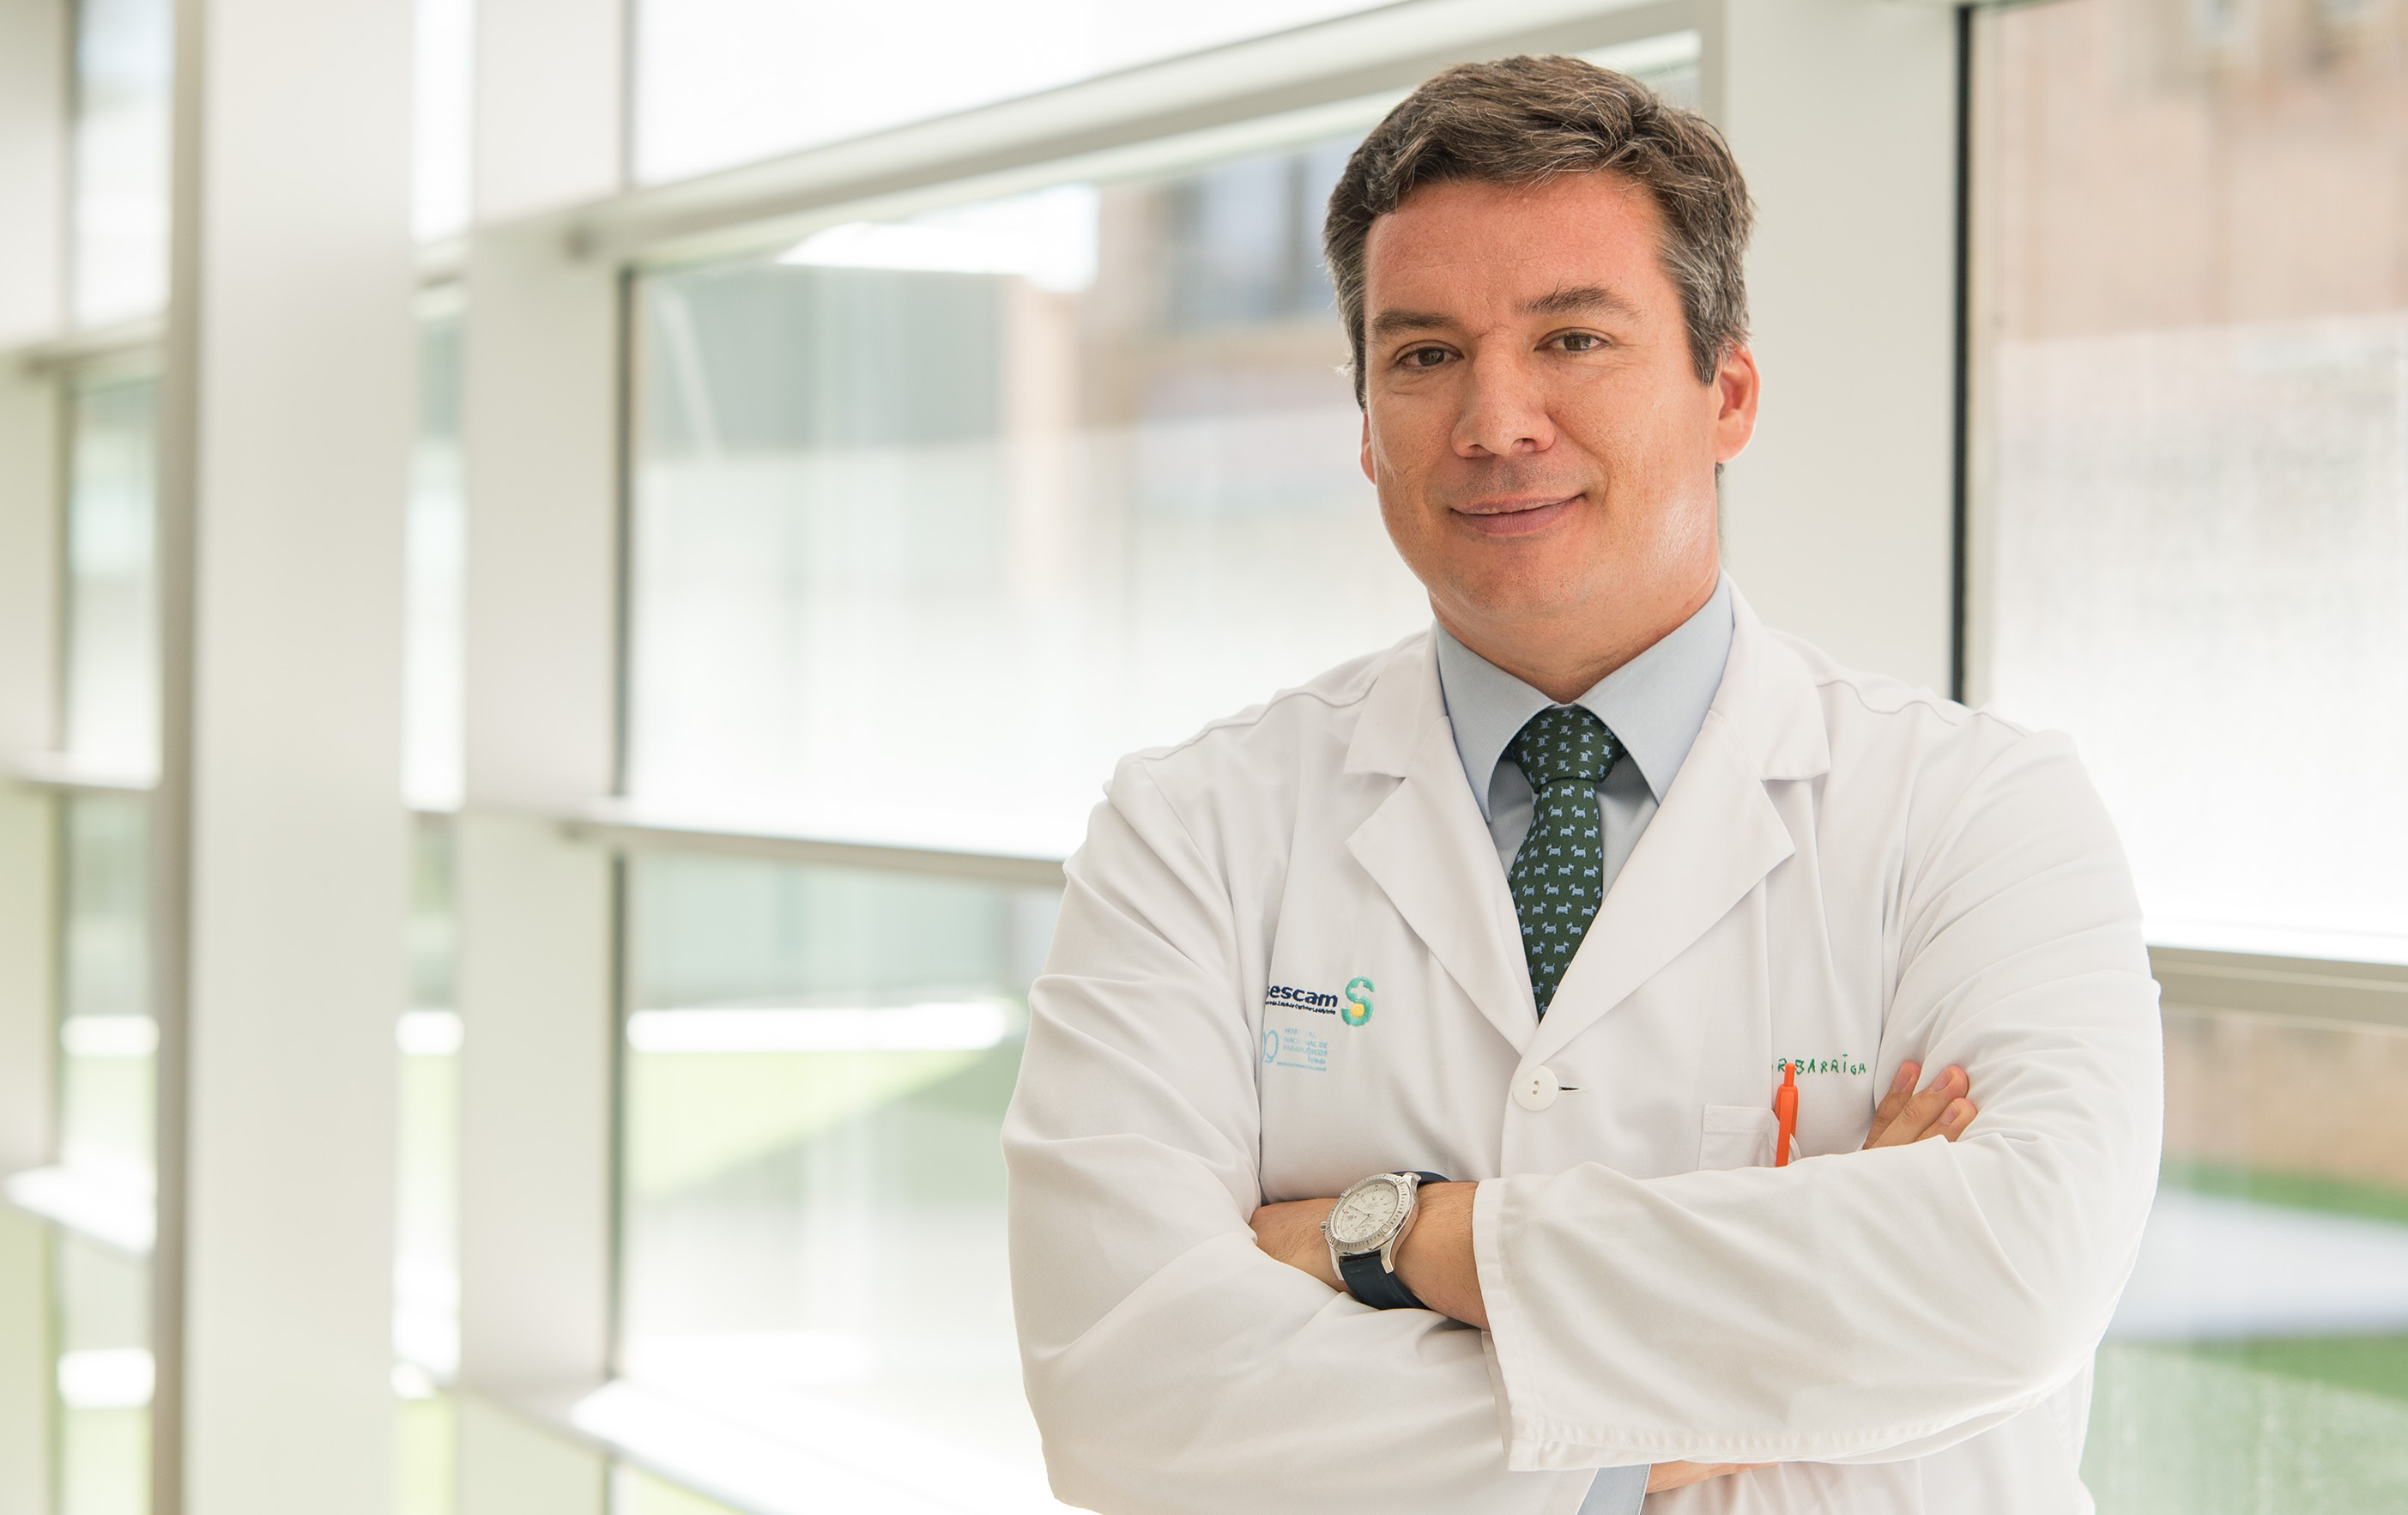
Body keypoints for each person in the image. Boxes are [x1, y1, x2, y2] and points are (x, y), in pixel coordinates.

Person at [1002, 55, 2162, 1515]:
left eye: (1571, 339)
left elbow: (2006, 1277)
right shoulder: (1190, 830)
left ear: (1726, 391)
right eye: (1423, 355)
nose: (1495, 421)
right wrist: (1696, 1397)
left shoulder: (1980, 812)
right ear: (1363, 424)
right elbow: (1125, 1393)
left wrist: (1399, 1239)